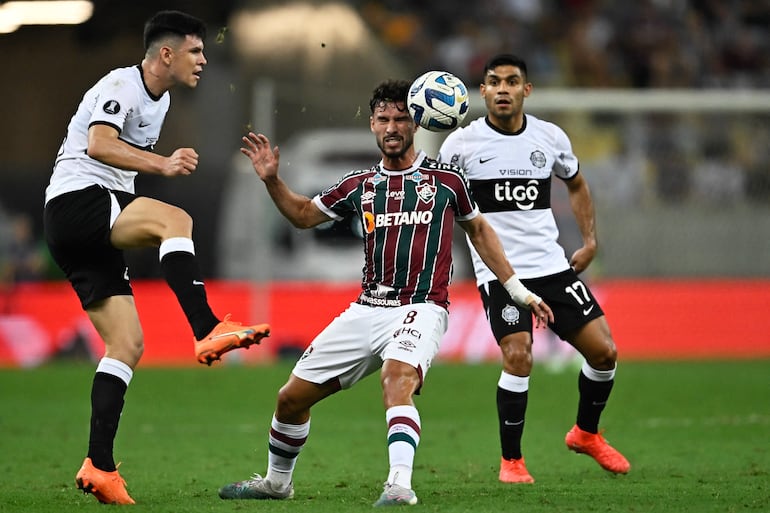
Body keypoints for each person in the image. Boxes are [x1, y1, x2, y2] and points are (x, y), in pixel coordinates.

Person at [217, 79, 553, 506]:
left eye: (400, 118)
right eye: (383, 119)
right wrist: (272, 180)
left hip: (422, 307)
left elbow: (480, 231)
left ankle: (399, 485)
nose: (392, 126)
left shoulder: (447, 180)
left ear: (416, 124)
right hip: (367, 308)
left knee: (397, 380)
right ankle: (277, 483)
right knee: (289, 399)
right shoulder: (359, 185)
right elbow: (303, 216)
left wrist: (517, 290)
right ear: (372, 125)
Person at [43, 10, 270, 505]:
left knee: (126, 346)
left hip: (81, 223)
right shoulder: (120, 84)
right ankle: (207, 328)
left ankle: (98, 465)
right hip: (78, 201)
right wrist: (162, 164)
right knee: (176, 221)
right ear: (166, 53)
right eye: (196, 51)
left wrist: (151, 168)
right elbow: (99, 144)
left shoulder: (160, 99)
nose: (204, 60)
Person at [438, 53, 631, 483]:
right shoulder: (462, 145)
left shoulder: (549, 138)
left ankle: (586, 433)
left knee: (605, 353)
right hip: (500, 273)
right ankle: (512, 461)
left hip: (551, 266)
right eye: (494, 82)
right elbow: (441, 208)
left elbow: (576, 182)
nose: (502, 89)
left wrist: (590, 240)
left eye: (511, 81)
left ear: (526, 90)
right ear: (482, 90)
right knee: (518, 355)